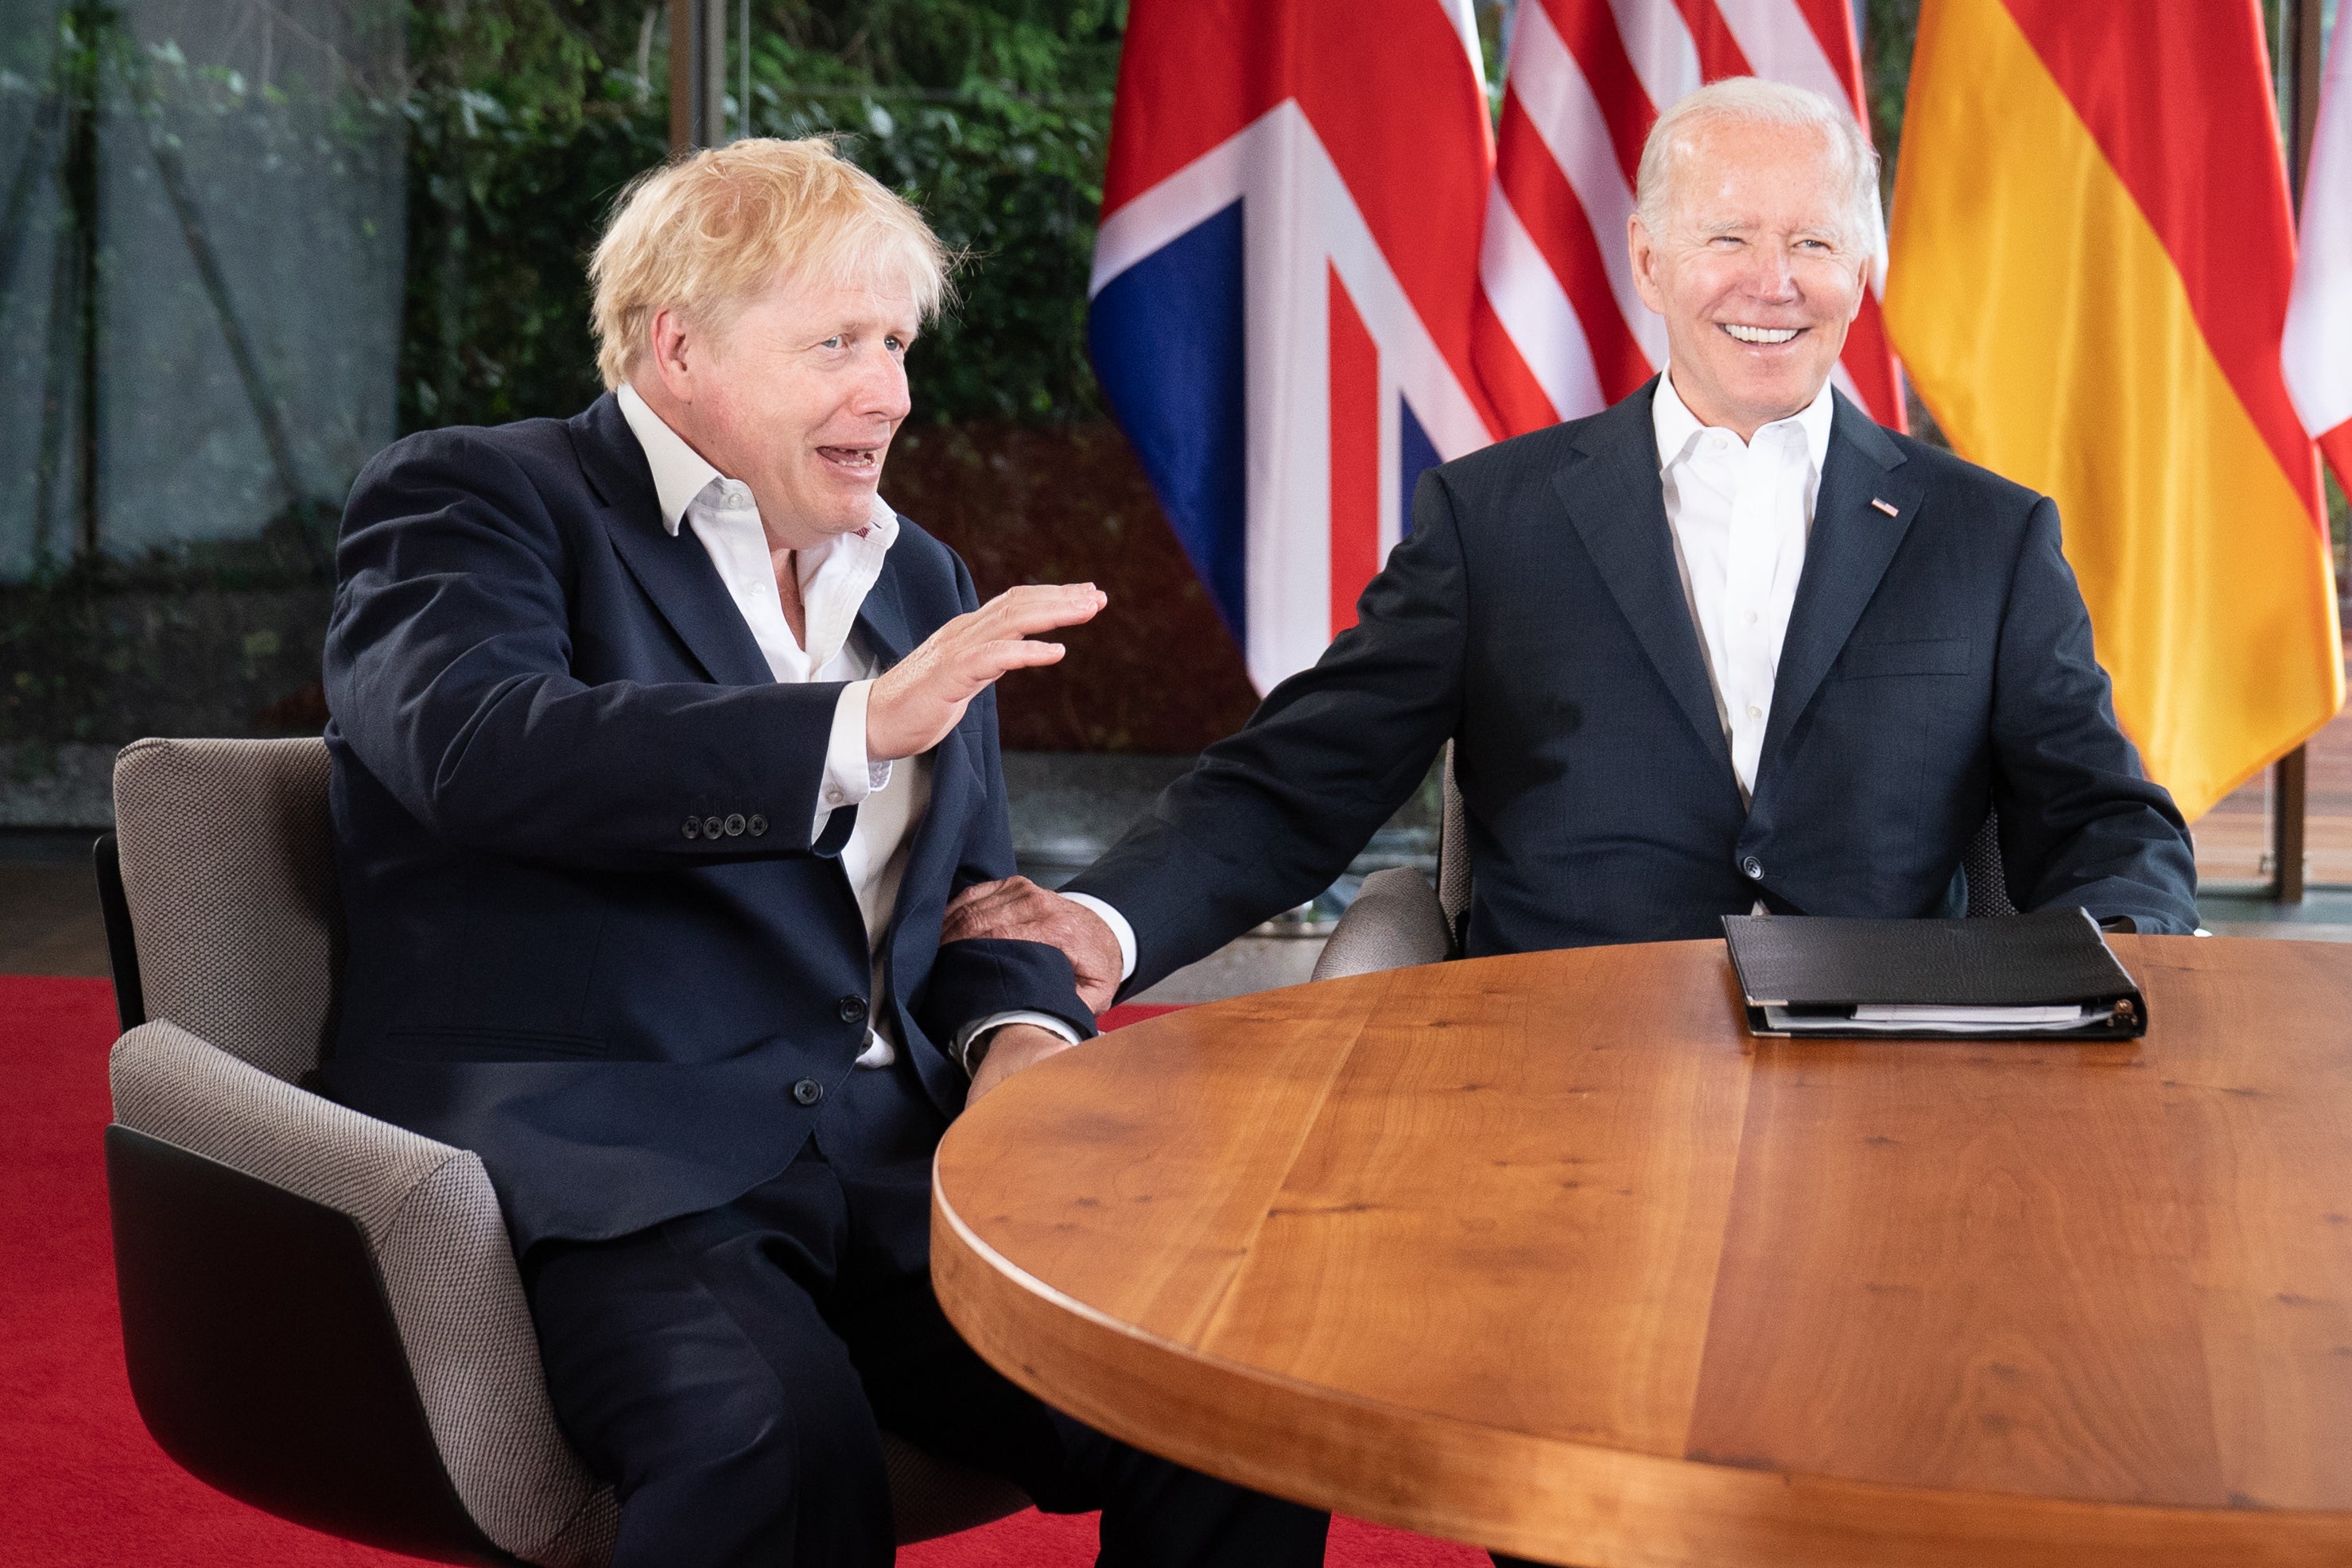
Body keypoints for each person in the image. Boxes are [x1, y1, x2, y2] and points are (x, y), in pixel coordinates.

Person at [316, 137, 1327, 1568]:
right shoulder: (477, 498)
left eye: (899, 343)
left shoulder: (916, 575)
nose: (892, 393)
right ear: (677, 347)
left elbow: (971, 889)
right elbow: (481, 751)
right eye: (837, 343)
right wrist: (853, 725)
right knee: (765, 1436)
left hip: (899, 1151)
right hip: (617, 1154)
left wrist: (1019, 1034)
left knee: (1241, 1378)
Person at [941, 77, 2198, 1019]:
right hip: (1552, 1059)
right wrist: (1105, 921)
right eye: (1727, 238)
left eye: (1812, 242)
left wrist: (2130, 965)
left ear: (1860, 271)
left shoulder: (1988, 532)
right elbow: (1304, 773)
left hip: (1885, 1071)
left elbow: (2096, 811)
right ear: (1648, 261)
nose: (1774, 281)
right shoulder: (1494, 519)